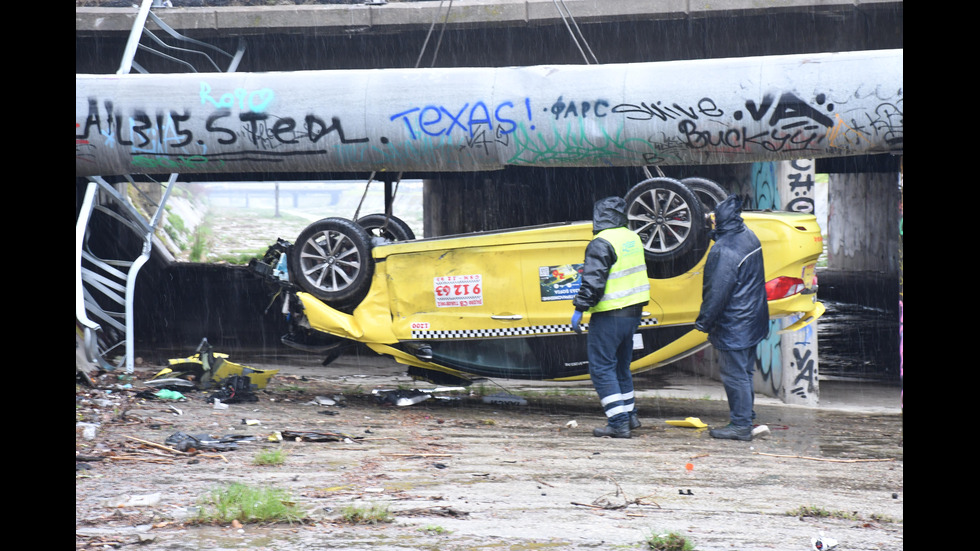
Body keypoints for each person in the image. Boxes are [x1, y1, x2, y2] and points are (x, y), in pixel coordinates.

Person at [571, 197, 650, 438]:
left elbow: (594, 280)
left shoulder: (601, 242)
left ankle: (617, 422)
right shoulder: (632, 237)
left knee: (602, 368)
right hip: (632, 313)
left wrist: (580, 308)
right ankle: (630, 415)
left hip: (610, 315)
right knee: (620, 367)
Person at [694, 194, 769, 441]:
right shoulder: (748, 236)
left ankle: (740, 426)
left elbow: (717, 293)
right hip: (752, 319)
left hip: (734, 324)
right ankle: (745, 417)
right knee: (745, 373)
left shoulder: (724, 251)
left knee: (735, 376)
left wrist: (704, 321)